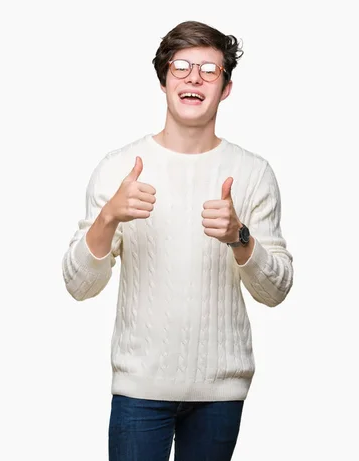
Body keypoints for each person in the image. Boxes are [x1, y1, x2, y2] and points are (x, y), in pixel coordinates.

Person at [61, 20, 294, 461]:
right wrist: (109, 216)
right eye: (182, 66)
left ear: (225, 89)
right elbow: (78, 284)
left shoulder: (253, 172)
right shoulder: (118, 168)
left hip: (220, 391)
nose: (193, 77)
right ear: (164, 78)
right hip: (139, 389)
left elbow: (277, 290)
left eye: (210, 70)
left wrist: (239, 237)